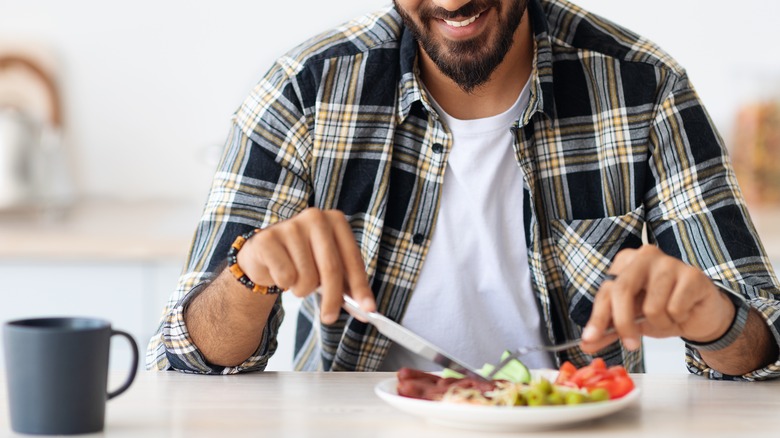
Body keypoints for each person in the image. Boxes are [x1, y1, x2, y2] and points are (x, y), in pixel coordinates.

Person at [147, 0, 780, 380]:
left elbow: (766, 356)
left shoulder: (644, 86)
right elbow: (184, 359)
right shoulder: (304, 92)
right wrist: (251, 273)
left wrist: (712, 317)